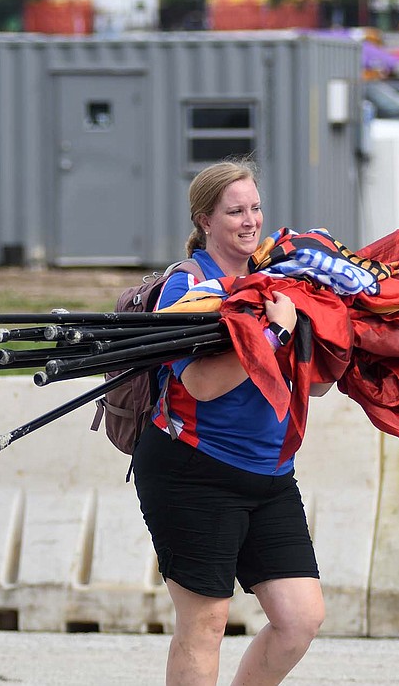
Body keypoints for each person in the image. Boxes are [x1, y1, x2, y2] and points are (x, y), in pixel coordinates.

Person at [132, 159, 328, 686]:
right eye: (235, 211)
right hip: (192, 469)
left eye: (255, 208)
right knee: (205, 622)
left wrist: (336, 338)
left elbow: (314, 385)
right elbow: (201, 384)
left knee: (299, 618)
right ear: (204, 220)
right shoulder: (186, 290)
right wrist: (275, 337)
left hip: (269, 472)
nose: (250, 221)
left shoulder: (276, 284)